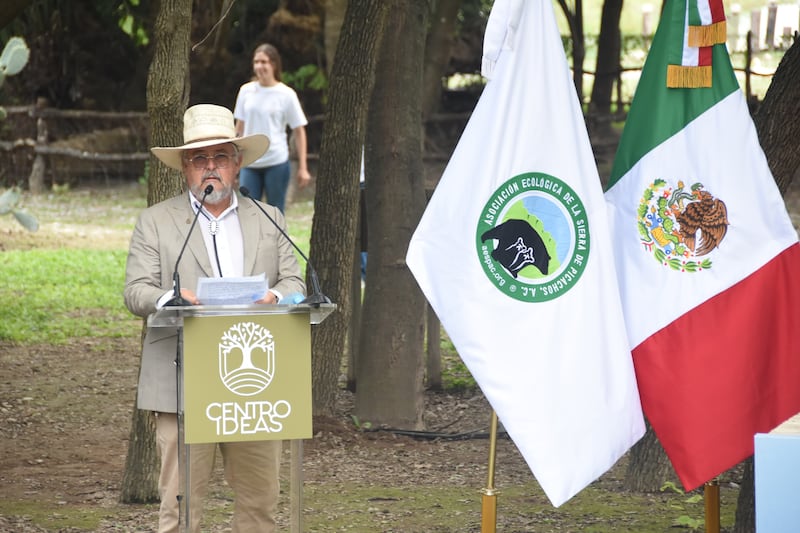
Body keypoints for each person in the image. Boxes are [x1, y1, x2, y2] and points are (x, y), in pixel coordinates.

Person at [123, 103, 306, 533]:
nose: (211, 168)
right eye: (199, 159)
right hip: (182, 384)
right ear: (185, 168)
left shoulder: (269, 218)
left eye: (220, 157)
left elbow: (295, 278)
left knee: (261, 509)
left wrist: (276, 295)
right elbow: (136, 291)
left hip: (256, 389)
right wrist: (174, 297)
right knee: (181, 513)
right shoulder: (156, 222)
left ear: (237, 163)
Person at [234, 43, 311, 213]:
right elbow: (238, 128)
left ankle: (276, 241)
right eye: (256, 62)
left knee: (275, 214)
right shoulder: (246, 91)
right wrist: (232, 161)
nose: (259, 66)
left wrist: (303, 168)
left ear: (274, 64)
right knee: (248, 214)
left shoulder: (286, 94)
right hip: (250, 162)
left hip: (276, 162)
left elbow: (299, 131)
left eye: (264, 62)